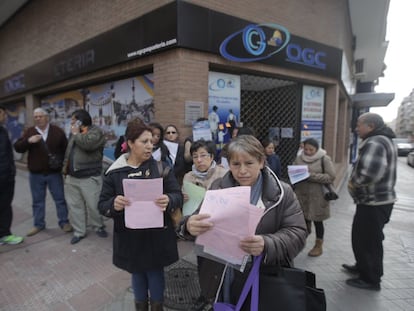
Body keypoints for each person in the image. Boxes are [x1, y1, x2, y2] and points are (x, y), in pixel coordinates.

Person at [178, 135, 307, 309]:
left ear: (261, 162)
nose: (242, 171)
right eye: (236, 164)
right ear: (229, 164)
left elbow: (298, 233)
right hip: (221, 278)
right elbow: (196, 219)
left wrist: (266, 243)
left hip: (262, 279)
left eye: (249, 163)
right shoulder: (219, 187)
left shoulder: (281, 193)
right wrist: (188, 225)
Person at [98, 121, 183, 311]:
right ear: (130, 143)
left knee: (155, 274)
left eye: (151, 141)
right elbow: (102, 205)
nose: (150, 146)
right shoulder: (114, 173)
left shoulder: (161, 168)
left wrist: (169, 199)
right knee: (137, 274)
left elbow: (177, 195)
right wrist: (114, 204)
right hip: (130, 237)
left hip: (157, 236)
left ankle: (157, 307)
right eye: (144, 141)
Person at [343, 112, 397, 291]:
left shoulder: (376, 142)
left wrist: (352, 183)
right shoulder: (382, 139)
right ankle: (362, 267)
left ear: (371, 126)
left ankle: (371, 279)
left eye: (359, 124)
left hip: (374, 203)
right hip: (374, 202)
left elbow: (369, 173)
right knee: (362, 238)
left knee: (369, 241)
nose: (356, 128)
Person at [182, 139, 228, 310]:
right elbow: (185, 203)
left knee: (220, 264)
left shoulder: (223, 174)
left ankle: (220, 295)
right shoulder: (188, 176)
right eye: (195, 156)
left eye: (203, 155)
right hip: (199, 228)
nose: (199, 160)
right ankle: (205, 295)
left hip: (219, 227)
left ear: (211, 156)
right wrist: (183, 198)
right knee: (202, 261)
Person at [14, 107, 72, 236]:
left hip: (54, 174)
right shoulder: (29, 132)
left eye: (40, 116)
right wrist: (29, 141)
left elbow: (66, 150)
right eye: (35, 117)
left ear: (47, 117)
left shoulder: (57, 131)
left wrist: (63, 167)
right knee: (37, 201)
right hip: (36, 174)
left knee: (59, 199)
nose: (38, 119)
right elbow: (18, 148)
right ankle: (38, 224)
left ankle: (64, 222)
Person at [62, 109, 108, 244]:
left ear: (81, 121)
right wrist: (64, 170)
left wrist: (76, 134)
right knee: (75, 206)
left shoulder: (96, 132)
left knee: (94, 205)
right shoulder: (74, 133)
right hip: (72, 177)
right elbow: (68, 152)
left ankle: (99, 226)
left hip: (89, 177)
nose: (71, 122)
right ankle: (79, 231)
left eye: (73, 120)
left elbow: (88, 145)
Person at [293, 138, 336, 257]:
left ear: (317, 149)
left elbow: (331, 176)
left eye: (311, 149)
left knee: (318, 221)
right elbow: (294, 172)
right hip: (302, 195)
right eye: (306, 149)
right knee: (302, 221)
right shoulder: (299, 158)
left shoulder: (324, 159)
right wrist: (295, 174)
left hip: (318, 197)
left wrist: (310, 176)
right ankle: (299, 242)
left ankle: (318, 245)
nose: (308, 152)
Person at [0, 105, 23, 245]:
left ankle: (5, 234)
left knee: (5, 206)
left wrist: (12, 171)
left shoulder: (3, 131)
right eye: (2, 113)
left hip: (7, 177)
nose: (5, 116)